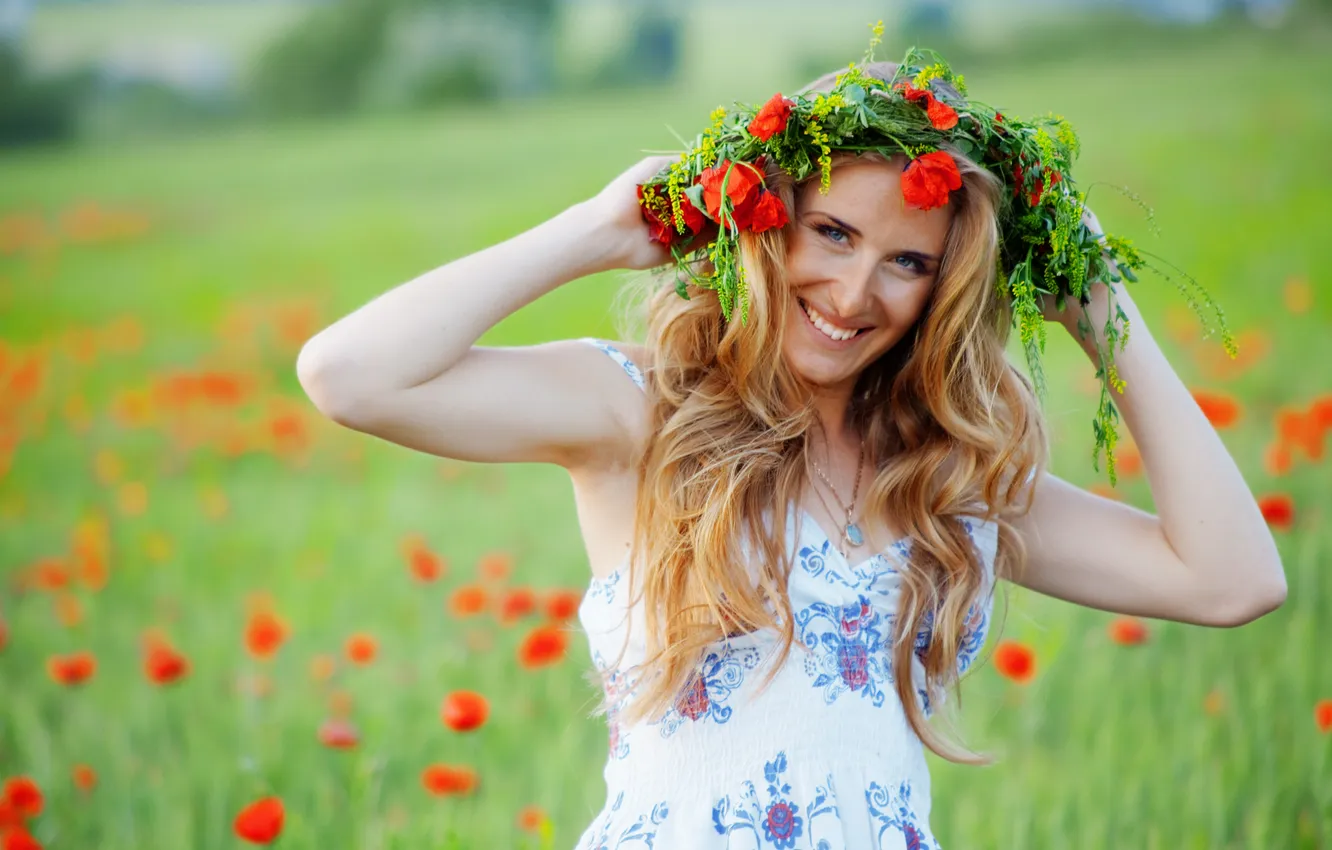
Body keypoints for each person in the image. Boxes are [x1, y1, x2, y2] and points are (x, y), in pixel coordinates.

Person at [295, 34, 1287, 850]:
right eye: (834, 235)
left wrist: (1105, 312)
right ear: (770, 225)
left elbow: (1232, 581)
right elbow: (349, 374)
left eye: (908, 262)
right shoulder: (643, 408)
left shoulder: (949, 474)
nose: (856, 296)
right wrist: (596, 230)